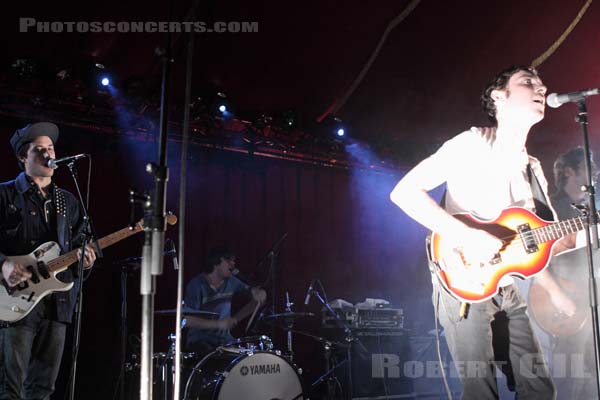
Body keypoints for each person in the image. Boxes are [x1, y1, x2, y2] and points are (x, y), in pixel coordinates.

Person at [390, 65, 577, 399]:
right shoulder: (473, 142)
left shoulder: (532, 168)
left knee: (539, 390)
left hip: (509, 287)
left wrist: (556, 286)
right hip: (463, 283)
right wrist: (466, 236)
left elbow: (540, 242)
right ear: (499, 97)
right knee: (481, 390)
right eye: (528, 82)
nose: (542, 87)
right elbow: (404, 193)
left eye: (541, 82)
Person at [0, 121, 97, 399]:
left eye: (51, 148)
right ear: (22, 157)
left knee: (43, 388)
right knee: (10, 387)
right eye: (39, 150)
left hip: (57, 303)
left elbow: (79, 243)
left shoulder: (67, 201)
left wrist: (86, 258)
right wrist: (4, 264)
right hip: (14, 303)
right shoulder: (4, 194)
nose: (47, 154)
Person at [547, 146, 598, 400]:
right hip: (566, 306)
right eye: (589, 167)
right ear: (570, 172)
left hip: (592, 301)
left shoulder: (590, 210)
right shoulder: (551, 211)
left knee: (591, 378)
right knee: (570, 379)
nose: (597, 172)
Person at [184, 246, 266, 357]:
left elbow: (253, 296)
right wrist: (218, 324)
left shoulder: (232, 281)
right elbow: (187, 321)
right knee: (213, 358)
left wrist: (258, 293)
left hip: (225, 341)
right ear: (216, 262)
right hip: (200, 340)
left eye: (233, 261)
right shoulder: (196, 285)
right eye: (229, 261)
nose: (233, 264)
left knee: (246, 358)